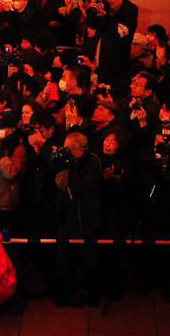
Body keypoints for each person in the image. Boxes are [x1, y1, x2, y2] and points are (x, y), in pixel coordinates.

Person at [53, 131, 101, 307]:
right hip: (66, 216)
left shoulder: (92, 162)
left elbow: (81, 186)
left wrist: (68, 168)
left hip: (84, 219)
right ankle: (65, 292)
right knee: (64, 259)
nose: (65, 152)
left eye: (68, 149)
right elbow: (58, 182)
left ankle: (88, 294)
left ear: (78, 149)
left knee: (88, 260)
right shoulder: (69, 162)